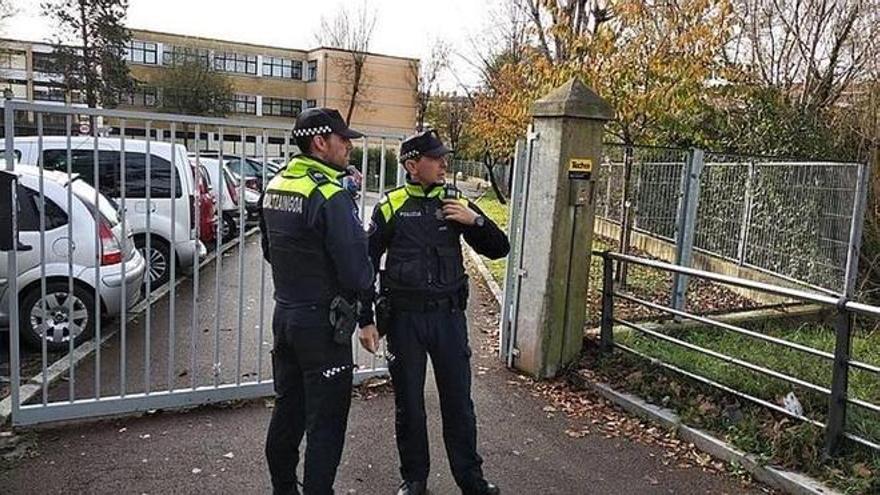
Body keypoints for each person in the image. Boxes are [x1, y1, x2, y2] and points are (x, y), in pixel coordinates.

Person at [358, 129, 509, 495]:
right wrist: (365, 319)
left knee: (458, 402)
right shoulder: (390, 206)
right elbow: (365, 263)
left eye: (444, 157)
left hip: (448, 320)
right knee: (409, 405)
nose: (444, 163)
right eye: (435, 158)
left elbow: (499, 249)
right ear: (412, 165)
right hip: (405, 321)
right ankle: (414, 480)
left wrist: (475, 221)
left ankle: (471, 480)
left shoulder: (454, 202)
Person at [260, 107, 373, 495]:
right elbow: (358, 271)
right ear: (320, 142)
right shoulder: (329, 193)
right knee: (325, 424)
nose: (349, 147)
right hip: (323, 327)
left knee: (288, 409)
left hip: (286, 316)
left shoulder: (275, 185)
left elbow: (268, 250)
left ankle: (283, 490)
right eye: (344, 140)